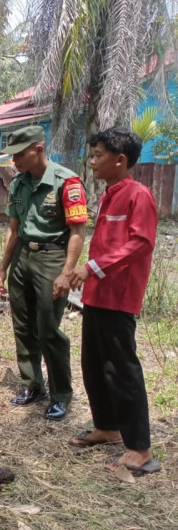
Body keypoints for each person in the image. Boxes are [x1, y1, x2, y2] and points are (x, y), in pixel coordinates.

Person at [67, 127, 160, 476]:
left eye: (98, 156)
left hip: (119, 298)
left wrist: (92, 267)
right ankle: (107, 427)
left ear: (120, 160)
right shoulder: (108, 195)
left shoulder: (139, 196)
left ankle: (141, 449)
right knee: (94, 363)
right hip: (96, 295)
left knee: (122, 370)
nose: (92, 162)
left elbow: (141, 243)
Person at [0, 125, 88, 421]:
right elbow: (13, 230)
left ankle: (61, 395)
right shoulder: (18, 184)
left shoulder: (67, 182)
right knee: (23, 327)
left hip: (52, 258)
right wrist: (2, 268)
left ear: (38, 148)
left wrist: (67, 272)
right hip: (23, 257)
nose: (14, 161)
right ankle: (33, 385)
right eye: (12, 155)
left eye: (19, 154)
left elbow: (77, 232)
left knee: (49, 329)